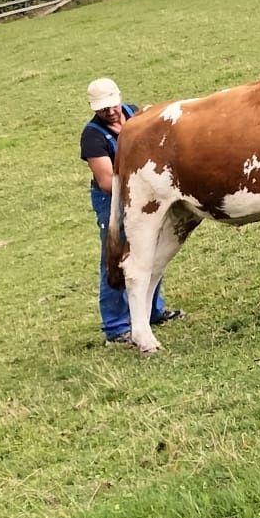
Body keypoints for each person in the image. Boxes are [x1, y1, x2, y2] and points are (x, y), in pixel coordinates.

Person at [81, 76, 180, 344]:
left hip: (147, 192)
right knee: (115, 256)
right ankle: (115, 326)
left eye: (112, 105)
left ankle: (153, 310)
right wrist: (144, 185)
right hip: (113, 199)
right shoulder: (92, 136)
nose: (110, 111)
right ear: (93, 108)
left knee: (150, 249)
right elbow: (104, 181)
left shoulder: (134, 113)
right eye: (103, 108)